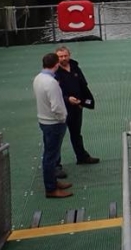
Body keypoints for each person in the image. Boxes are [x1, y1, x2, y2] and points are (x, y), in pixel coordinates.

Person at [33, 53, 73, 198]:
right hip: (54, 123)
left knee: (50, 154)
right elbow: (56, 106)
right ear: (56, 64)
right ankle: (51, 188)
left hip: (44, 120)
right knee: (51, 157)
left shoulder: (38, 78)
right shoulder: (51, 83)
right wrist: (63, 118)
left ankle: (54, 183)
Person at [54, 46, 100, 165]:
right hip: (61, 108)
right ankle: (56, 165)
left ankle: (82, 157)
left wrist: (84, 102)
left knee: (76, 134)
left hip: (76, 107)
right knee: (57, 137)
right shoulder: (55, 72)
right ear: (56, 58)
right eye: (60, 56)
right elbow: (53, 92)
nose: (63, 58)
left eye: (65, 56)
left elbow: (83, 85)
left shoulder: (74, 67)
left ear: (69, 55)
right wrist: (67, 99)